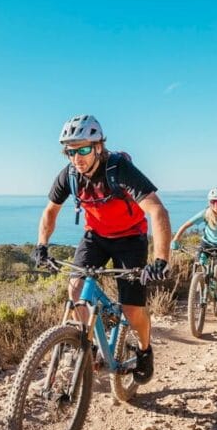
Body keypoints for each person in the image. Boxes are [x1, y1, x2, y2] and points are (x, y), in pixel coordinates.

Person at [32, 114, 172, 384]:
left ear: (98, 146)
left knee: (132, 310)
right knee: (75, 289)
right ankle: (90, 346)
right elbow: (50, 212)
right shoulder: (70, 176)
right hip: (95, 236)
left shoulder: (119, 169)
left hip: (131, 238)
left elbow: (156, 210)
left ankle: (144, 350)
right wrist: (41, 245)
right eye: (70, 152)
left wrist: (160, 260)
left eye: (83, 149)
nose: (77, 158)